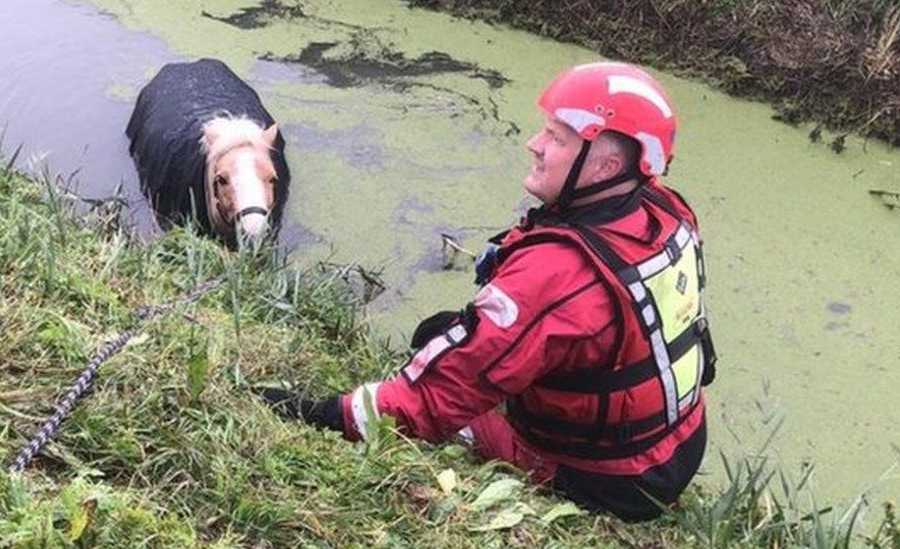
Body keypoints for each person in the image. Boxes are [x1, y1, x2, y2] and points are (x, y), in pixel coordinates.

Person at [256, 62, 717, 522]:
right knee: (444, 331)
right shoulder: (666, 210)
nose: (534, 145)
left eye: (556, 138)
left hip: (609, 481)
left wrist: (323, 414)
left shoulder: (554, 275)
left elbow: (432, 400)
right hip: (683, 442)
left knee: (446, 382)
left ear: (607, 166)